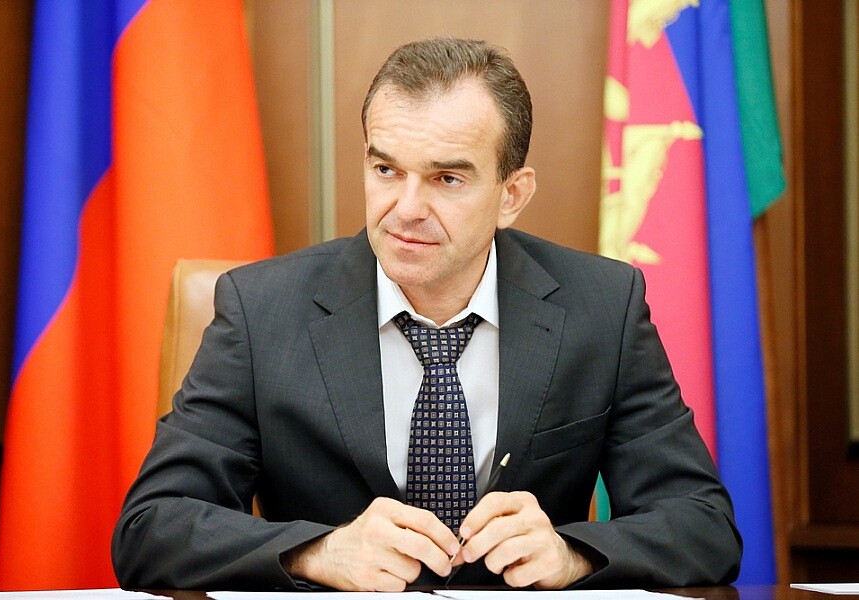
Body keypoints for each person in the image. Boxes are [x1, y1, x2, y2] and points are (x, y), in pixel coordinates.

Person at [112, 37, 741, 592]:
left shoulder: (601, 306)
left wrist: (573, 554)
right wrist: (318, 553)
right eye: (386, 169)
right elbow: (151, 528)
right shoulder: (262, 311)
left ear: (512, 195)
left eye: (446, 179)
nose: (405, 208)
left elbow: (704, 526)